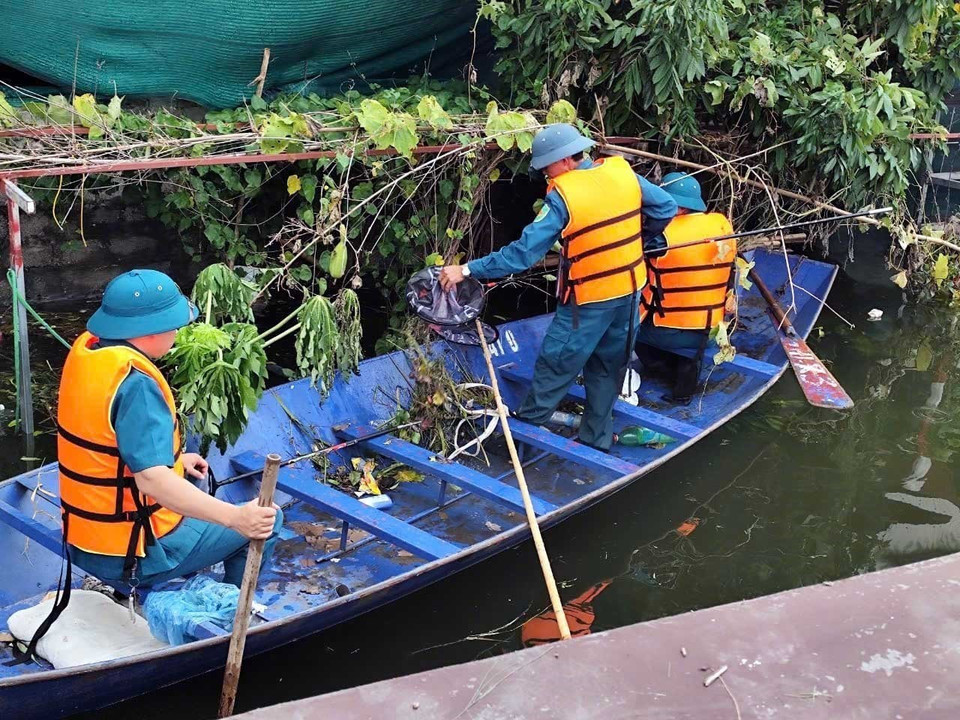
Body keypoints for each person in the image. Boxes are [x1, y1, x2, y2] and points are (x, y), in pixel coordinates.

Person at [440, 124, 677, 450]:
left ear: (565, 161)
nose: (544, 175)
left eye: (547, 166)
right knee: (608, 367)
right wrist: (639, 240)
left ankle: (521, 442)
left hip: (588, 302)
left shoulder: (564, 197)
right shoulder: (623, 173)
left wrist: (467, 268)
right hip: (631, 292)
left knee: (556, 364)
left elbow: (522, 254)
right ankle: (597, 439)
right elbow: (665, 207)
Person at [57, 269, 282, 591]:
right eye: (173, 325)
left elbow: (110, 445)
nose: (177, 331)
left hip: (83, 537)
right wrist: (237, 519)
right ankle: (231, 611)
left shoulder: (92, 352)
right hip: (130, 555)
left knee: (191, 479)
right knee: (267, 522)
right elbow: (151, 481)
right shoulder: (137, 386)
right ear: (149, 331)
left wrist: (177, 461)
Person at [636, 172, 737, 402]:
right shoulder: (721, 225)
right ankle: (682, 391)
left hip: (666, 330)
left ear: (677, 207)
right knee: (691, 349)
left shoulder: (662, 236)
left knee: (624, 329)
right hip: (711, 328)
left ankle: (660, 368)